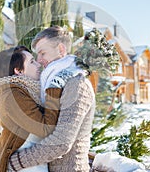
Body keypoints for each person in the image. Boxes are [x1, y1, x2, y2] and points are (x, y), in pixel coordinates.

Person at [9, 26, 96, 172]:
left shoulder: (76, 84)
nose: (39, 60)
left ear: (61, 50)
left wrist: (14, 162)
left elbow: (61, 142)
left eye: (43, 53)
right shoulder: (52, 84)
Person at [0, 46, 63, 172]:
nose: (38, 64)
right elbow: (45, 128)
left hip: (30, 165)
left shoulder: (23, 92)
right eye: (31, 62)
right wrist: (53, 90)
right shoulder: (13, 96)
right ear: (18, 70)